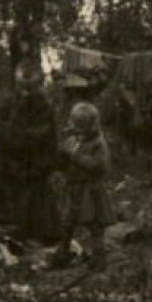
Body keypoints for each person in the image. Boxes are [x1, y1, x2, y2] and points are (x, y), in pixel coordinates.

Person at [0, 58, 59, 243]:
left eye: (31, 88)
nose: (26, 93)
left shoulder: (44, 108)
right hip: (8, 164)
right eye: (22, 87)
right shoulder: (10, 99)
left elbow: (25, 141)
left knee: (33, 223)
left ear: (39, 84)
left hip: (31, 168)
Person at [54, 101, 112, 271]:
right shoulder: (73, 140)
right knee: (66, 224)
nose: (75, 131)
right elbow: (63, 163)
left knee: (95, 226)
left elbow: (98, 165)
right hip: (73, 189)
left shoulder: (98, 143)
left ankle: (99, 259)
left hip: (91, 190)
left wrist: (75, 155)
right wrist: (62, 155)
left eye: (80, 127)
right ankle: (62, 255)